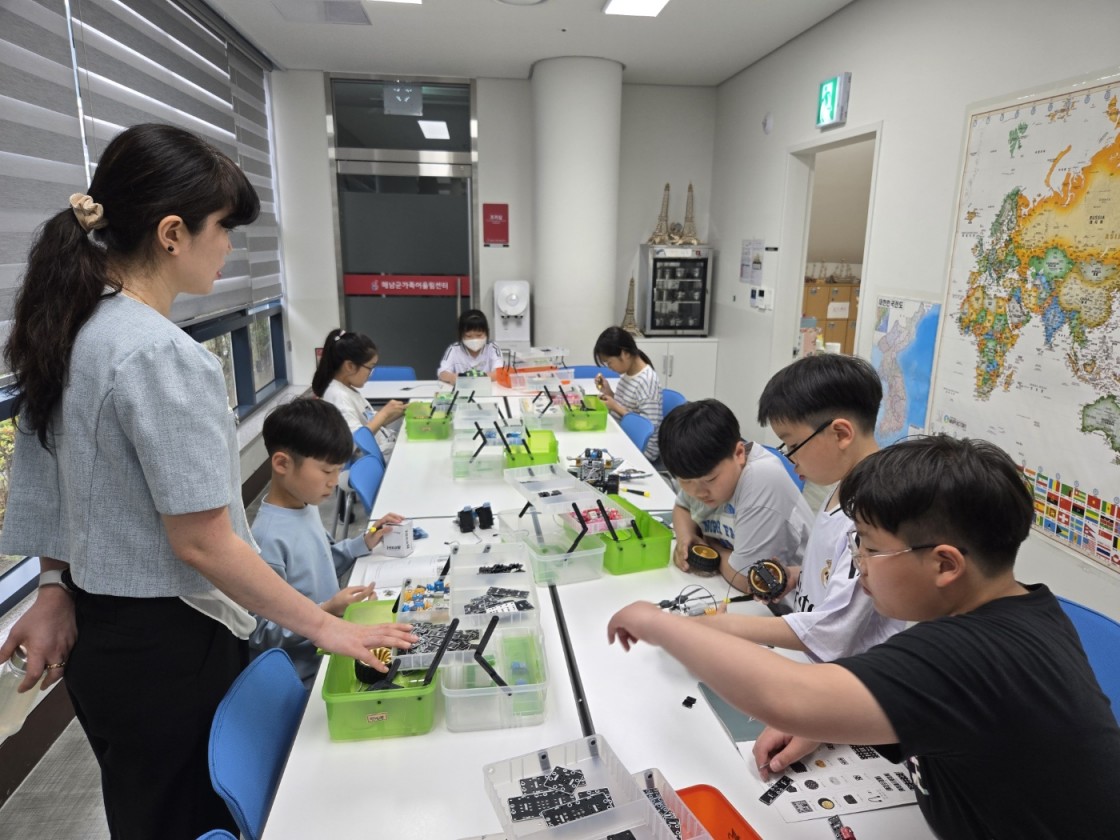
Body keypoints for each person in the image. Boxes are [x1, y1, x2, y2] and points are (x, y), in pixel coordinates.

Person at [0, 123, 414, 840]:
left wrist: (55, 586)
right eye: (223, 228)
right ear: (172, 233)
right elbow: (202, 543)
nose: (228, 248)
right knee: (193, 818)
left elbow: (60, 481)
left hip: (106, 642)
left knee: (148, 814)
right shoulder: (160, 354)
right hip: (171, 646)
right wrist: (328, 628)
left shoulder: (71, 328)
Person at [608, 435, 1120, 840]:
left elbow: (787, 697)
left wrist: (661, 624)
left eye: (870, 548)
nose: (858, 564)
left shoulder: (974, 653)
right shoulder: (1020, 610)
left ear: (945, 564)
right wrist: (839, 721)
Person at [695, 354, 905, 662]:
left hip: (841, 673)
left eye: (793, 445)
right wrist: (798, 576)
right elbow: (834, 574)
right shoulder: (844, 484)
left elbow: (832, 633)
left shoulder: (873, 517)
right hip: (809, 655)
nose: (789, 457)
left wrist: (729, 626)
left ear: (841, 434)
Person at [250, 398, 406, 686]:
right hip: (309, 677)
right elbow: (260, 633)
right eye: (326, 471)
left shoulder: (304, 504)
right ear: (282, 463)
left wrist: (364, 542)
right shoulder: (266, 539)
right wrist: (326, 610)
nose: (334, 481)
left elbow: (321, 562)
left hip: (336, 642)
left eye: (338, 470)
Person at [659, 399, 813, 595]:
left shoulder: (761, 480)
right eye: (686, 481)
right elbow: (682, 507)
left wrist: (712, 547)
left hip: (786, 603)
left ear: (739, 453)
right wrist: (685, 537)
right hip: (730, 588)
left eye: (711, 479)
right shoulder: (700, 474)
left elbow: (748, 580)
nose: (699, 493)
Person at [312, 328, 404, 461]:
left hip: (384, 446)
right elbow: (354, 442)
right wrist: (383, 414)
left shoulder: (346, 389)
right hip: (374, 458)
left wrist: (400, 411)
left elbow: (368, 422)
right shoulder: (338, 396)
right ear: (350, 366)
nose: (370, 374)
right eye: (370, 368)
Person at [592, 326, 664, 461]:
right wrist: (608, 392)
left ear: (625, 353)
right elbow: (628, 406)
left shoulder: (647, 381)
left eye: (609, 362)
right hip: (624, 434)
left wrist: (615, 407)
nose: (610, 367)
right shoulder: (628, 374)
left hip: (642, 448)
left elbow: (646, 427)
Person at [437, 308, 502, 384]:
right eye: (469, 336)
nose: (474, 339)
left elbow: (499, 372)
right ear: (461, 334)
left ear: (486, 332)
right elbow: (442, 373)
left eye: (479, 335)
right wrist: (451, 377)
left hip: (488, 389)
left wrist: (475, 378)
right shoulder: (454, 349)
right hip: (461, 389)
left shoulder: (492, 348)